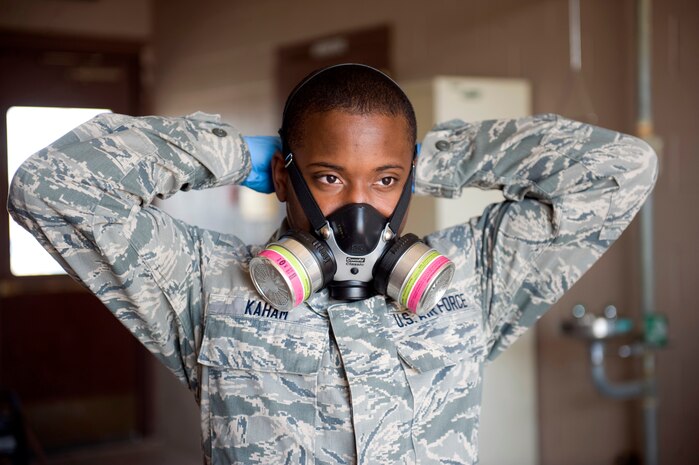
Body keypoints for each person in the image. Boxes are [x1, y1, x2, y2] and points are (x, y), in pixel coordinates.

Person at [8, 64, 657, 464]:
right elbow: (49, 188)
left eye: (384, 180)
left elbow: (624, 171)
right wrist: (232, 152)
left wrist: (436, 160)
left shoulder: (474, 275)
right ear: (284, 178)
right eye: (326, 175)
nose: (358, 207)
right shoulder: (205, 285)